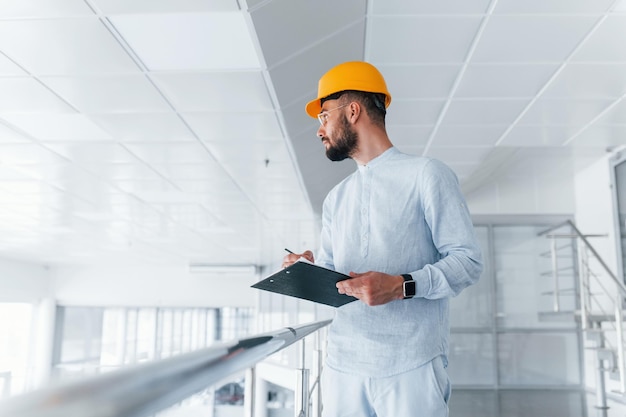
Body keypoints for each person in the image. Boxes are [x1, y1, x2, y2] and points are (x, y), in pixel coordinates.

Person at [282, 61, 483, 417]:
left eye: (324, 116)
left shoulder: (427, 175)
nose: (319, 130)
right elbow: (335, 280)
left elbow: (467, 261)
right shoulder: (335, 198)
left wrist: (401, 285)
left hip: (413, 364)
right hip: (343, 365)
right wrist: (309, 270)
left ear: (353, 111)